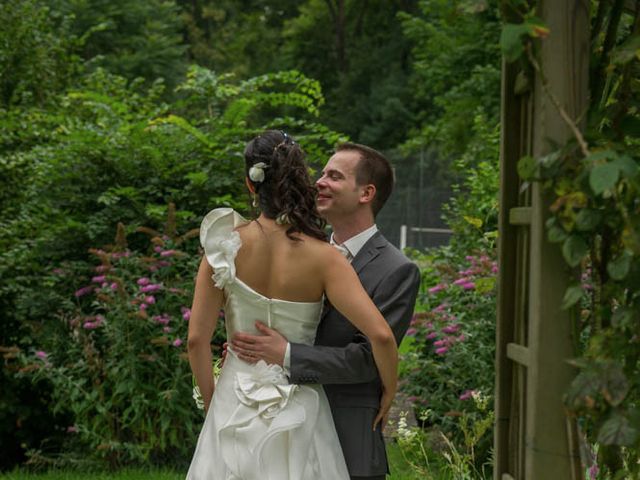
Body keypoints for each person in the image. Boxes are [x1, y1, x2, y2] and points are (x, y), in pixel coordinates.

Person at [186, 130, 399, 480]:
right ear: (300, 180)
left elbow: (196, 340)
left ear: (251, 185)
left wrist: (213, 405)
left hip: (233, 402)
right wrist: (389, 388)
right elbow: (382, 336)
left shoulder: (222, 249)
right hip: (300, 405)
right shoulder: (325, 258)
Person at [230, 142, 421, 480]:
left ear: (366, 193)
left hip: (347, 434)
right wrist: (250, 347)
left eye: (334, 176)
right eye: (321, 173)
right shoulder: (304, 249)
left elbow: (367, 358)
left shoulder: (397, 270)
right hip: (280, 431)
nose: (319, 181)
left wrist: (287, 354)